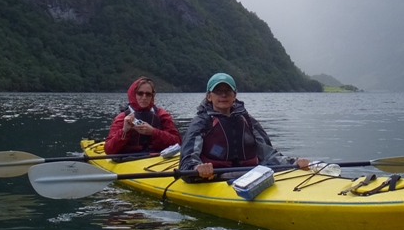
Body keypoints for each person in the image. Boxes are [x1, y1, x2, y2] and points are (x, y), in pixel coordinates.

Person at [179, 72, 309, 181]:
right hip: (213, 178)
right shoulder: (201, 122)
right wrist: (197, 168)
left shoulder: (248, 120)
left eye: (228, 91)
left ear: (234, 96)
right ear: (209, 96)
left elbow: (268, 155)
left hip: (251, 175)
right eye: (218, 91)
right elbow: (187, 161)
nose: (223, 95)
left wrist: (293, 162)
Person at [104, 77, 181, 154]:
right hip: (130, 158)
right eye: (140, 93)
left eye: (148, 94)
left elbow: (178, 142)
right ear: (133, 94)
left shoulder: (162, 115)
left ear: (152, 96)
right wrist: (125, 131)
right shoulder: (122, 117)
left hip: (157, 155)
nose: (144, 98)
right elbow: (109, 150)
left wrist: (153, 132)